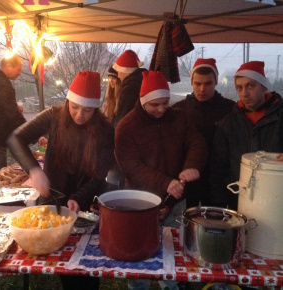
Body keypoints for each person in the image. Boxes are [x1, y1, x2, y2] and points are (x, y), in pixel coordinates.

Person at [7, 71, 114, 289]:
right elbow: (15, 138)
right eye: (74, 107)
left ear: (96, 108)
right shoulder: (54, 115)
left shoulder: (104, 130)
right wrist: (34, 171)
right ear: (67, 101)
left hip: (85, 205)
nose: (79, 115)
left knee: (87, 269)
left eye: (87, 110)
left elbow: (98, 174)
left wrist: (78, 197)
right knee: (62, 264)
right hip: (51, 202)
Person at [115, 70, 208, 290]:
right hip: (141, 203)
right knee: (138, 252)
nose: (161, 109)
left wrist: (191, 166)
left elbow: (197, 143)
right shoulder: (126, 127)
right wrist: (164, 182)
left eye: (165, 103)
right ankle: (139, 285)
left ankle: (172, 285)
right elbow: (130, 166)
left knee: (173, 250)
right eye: (154, 105)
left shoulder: (179, 117)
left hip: (175, 201)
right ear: (143, 100)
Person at [210, 61, 283, 210]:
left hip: (276, 198)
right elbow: (218, 165)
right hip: (239, 199)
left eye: (251, 86)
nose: (244, 93)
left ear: (263, 86)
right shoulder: (228, 123)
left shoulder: (280, 115)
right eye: (239, 87)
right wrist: (220, 203)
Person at [172, 58, 235, 208]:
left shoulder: (230, 110)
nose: (202, 89)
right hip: (186, 178)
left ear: (216, 83)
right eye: (198, 84)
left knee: (214, 226)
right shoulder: (178, 110)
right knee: (185, 225)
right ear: (191, 82)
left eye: (208, 84)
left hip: (218, 180)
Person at [112, 49, 147, 127]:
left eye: (118, 72)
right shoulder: (141, 82)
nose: (118, 75)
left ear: (125, 71)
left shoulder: (129, 89)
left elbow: (122, 117)